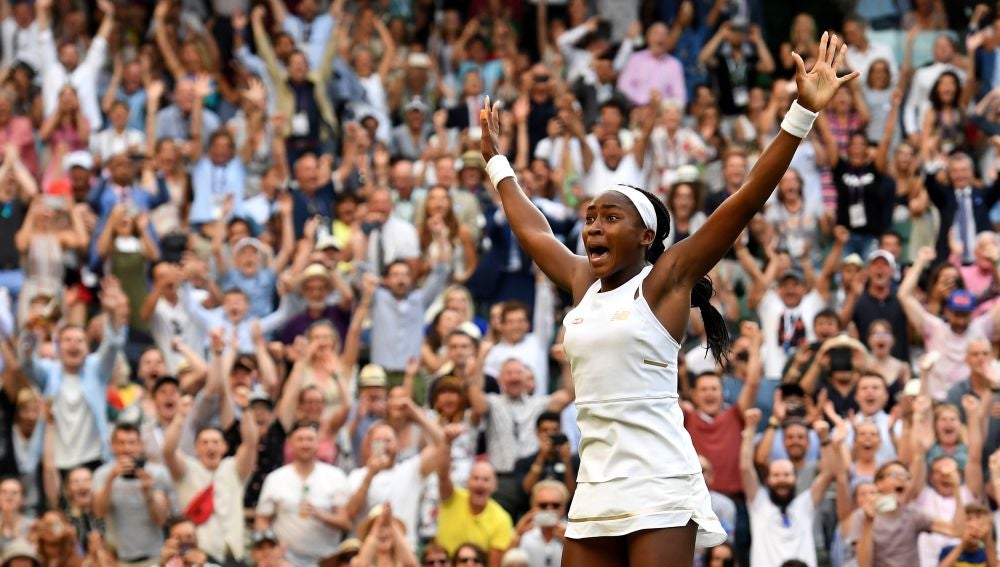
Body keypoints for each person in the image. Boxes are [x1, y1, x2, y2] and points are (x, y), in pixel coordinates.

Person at [478, 31, 858, 564]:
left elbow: (745, 198)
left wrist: (802, 114)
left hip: (658, 480)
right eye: (589, 218)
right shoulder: (584, 281)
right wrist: (498, 165)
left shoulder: (666, 279)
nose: (592, 228)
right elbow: (536, 232)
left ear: (646, 238)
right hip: (595, 482)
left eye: (611, 218)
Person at [255, 422, 353, 567]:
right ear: (290, 443)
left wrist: (320, 514)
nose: (305, 444)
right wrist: (270, 549)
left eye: (310, 439)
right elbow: (262, 520)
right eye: (300, 439)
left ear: (318, 443)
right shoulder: (275, 478)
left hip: (327, 560)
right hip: (287, 561)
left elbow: (345, 523)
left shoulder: (335, 476)